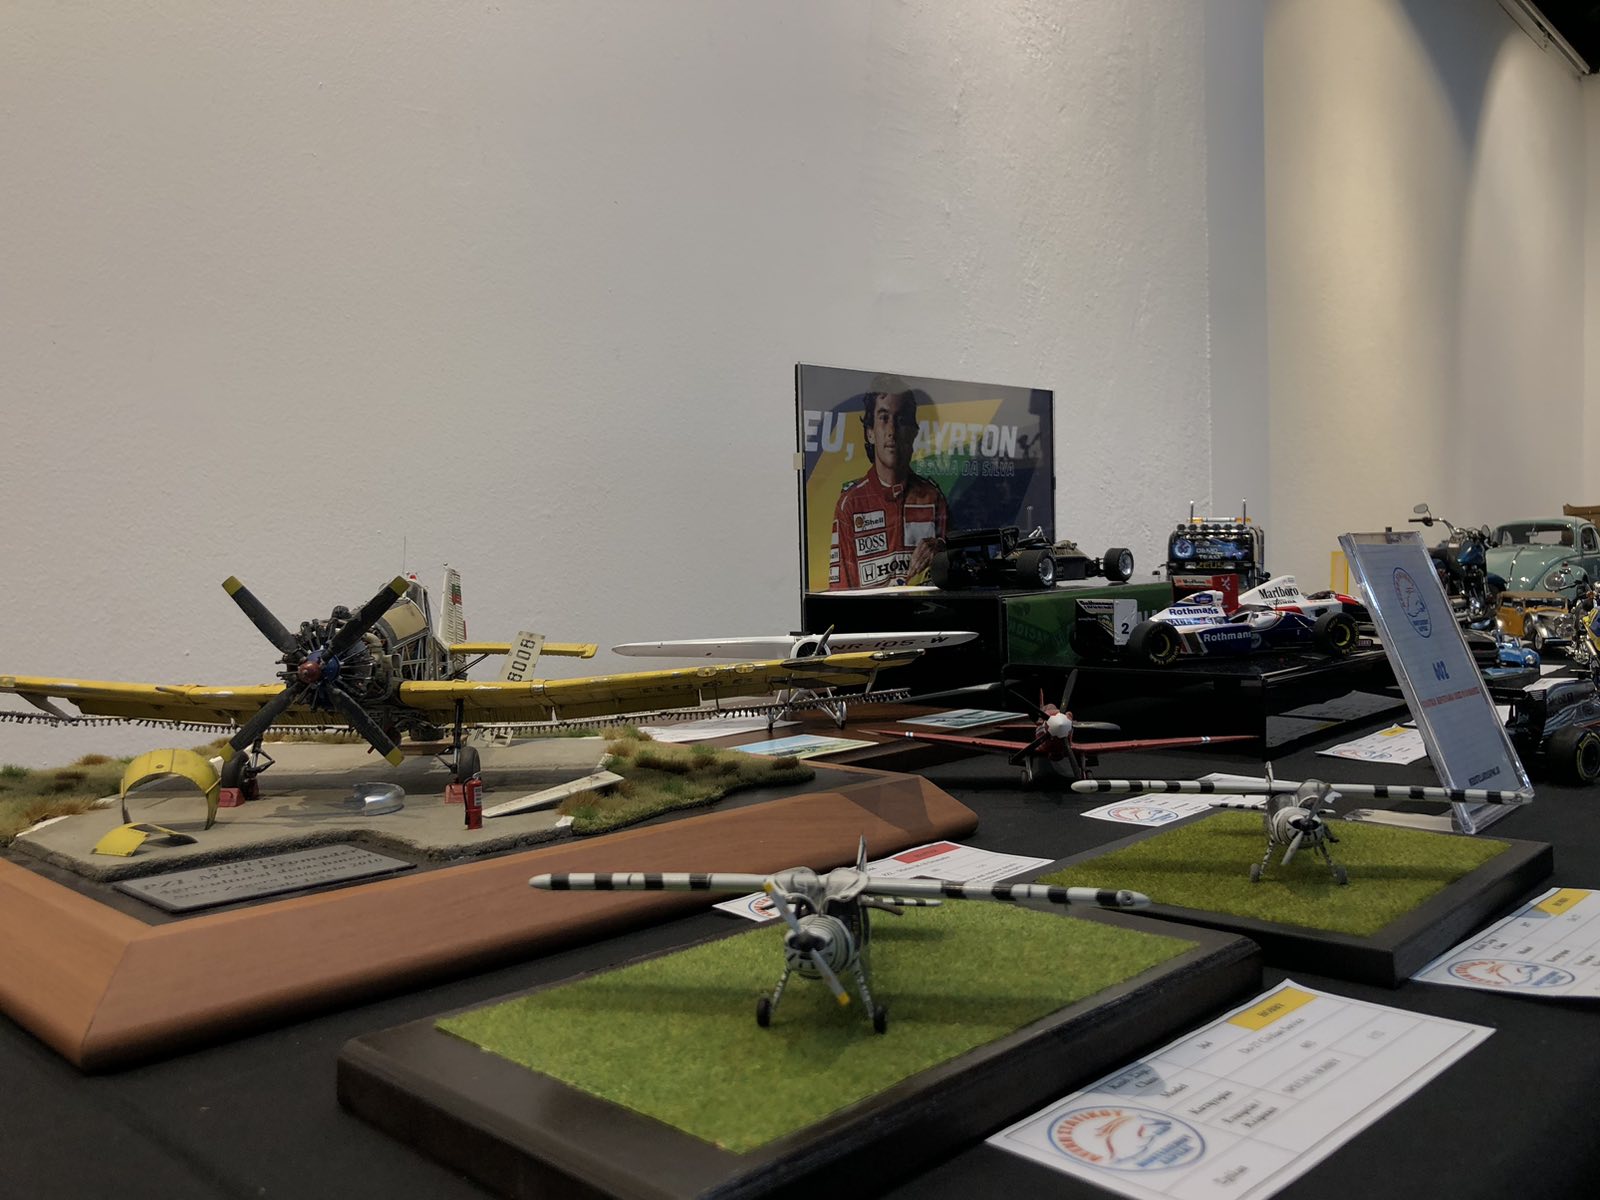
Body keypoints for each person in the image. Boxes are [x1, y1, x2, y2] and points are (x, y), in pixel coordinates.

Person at [829, 376, 949, 588]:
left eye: (900, 420)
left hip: (925, 609)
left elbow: (952, 577)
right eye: (884, 418)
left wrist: (941, 549)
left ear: (913, 432)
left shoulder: (932, 498)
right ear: (870, 433)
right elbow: (840, 592)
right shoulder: (851, 504)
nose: (892, 431)